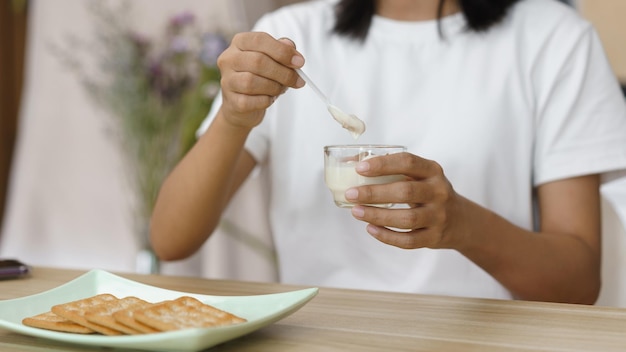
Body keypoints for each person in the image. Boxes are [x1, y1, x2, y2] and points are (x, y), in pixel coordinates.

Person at [150, 0, 626, 304]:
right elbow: (170, 239)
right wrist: (235, 116)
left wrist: (460, 223)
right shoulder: (288, 35)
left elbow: (578, 283)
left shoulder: (555, 39)